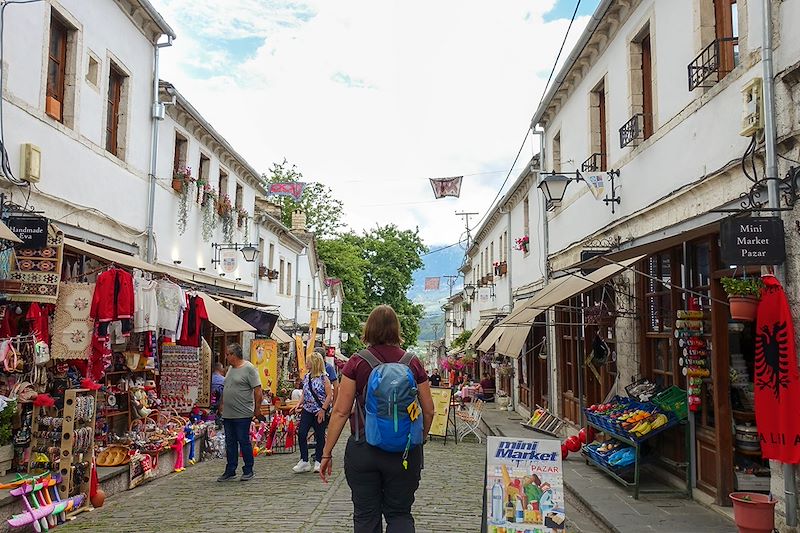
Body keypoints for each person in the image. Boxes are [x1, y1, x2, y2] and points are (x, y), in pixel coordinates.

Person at [320, 305, 434, 533]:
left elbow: (341, 411)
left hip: (364, 448)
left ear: (369, 329)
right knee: (400, 514)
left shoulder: (357, 362)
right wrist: (418, 439)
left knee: (366, 515)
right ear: (396, 329)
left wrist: (326, 452)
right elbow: (429, 410)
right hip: (404, 451)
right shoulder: (412, 362)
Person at [217, 343, 262, 482]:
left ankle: (248, 469)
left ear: (234, 355)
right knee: (230, 442)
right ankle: (230, 469)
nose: (226, 357)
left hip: (242, 413)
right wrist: (222, 403)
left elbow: (258, 390)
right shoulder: (230, 369)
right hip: (228, 413)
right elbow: (227, 387)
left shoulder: (249, 369)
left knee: (243, 441)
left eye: (228, 354)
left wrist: (257, 409)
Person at [293, 352, 332, 474]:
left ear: (314, 363)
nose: (306, 363)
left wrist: (323, 410)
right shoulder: (307, 377)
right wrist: (299, 403)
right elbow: (305, 392)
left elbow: (329, 395)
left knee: (320, 435)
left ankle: (319, 461)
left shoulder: (324, 378)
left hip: (319, 411)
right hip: (307, 410)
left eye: (308, 361)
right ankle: (304, 460)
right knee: (301, 433)